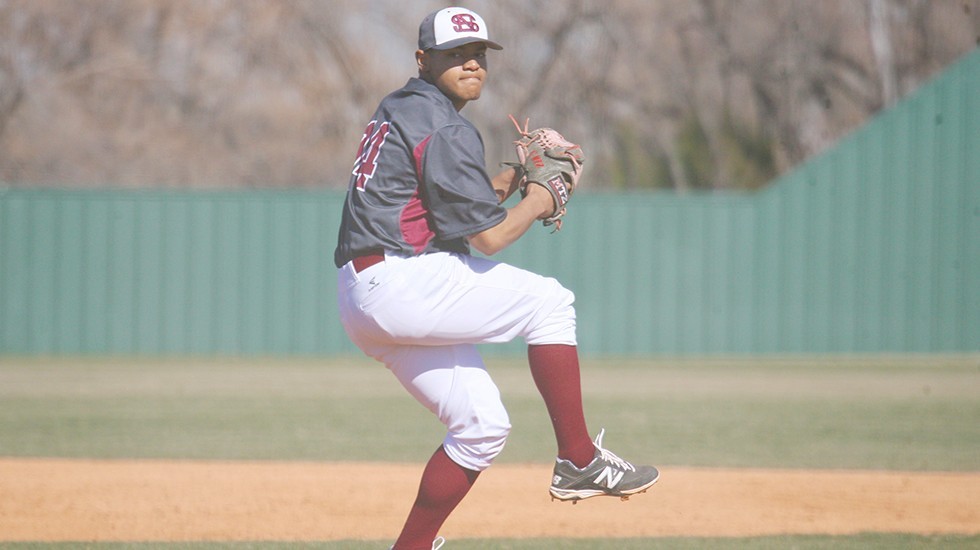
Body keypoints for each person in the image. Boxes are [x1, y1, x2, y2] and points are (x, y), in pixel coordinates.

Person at [333, 7, 659, 549]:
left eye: (478, 54)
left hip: (365, 295)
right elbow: (486, 238)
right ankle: (578, 459)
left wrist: (516, 175)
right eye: (454, 54)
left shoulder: (404, 107)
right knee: (551, 302)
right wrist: (542, 196)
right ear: (423, 59)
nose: (471, 64)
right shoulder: (444, 124)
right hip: (401, 279)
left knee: (481, 426)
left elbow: (454, 208)